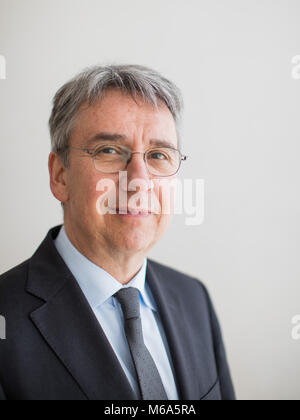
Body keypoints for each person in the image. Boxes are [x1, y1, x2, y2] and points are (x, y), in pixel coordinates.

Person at [0, 65, 235, 400]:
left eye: (157, 155)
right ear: (60, 176)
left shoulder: (194, 298)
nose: (138, 180)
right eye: (109, 151)